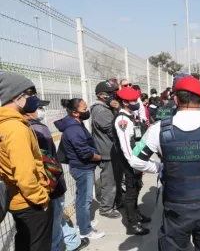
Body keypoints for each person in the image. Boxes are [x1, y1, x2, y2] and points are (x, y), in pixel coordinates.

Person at [130, 76, 200, 250]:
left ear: (176, 99)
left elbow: (135, 160)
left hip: (175, 210)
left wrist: (160, 167)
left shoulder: (158, 129)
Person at [26, 100, 90, 251]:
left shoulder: (31, 128)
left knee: (58, 216)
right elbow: (47, 160)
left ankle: (73, 242)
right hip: (50, 183)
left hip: (49, 182)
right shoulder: (38, 129)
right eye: (38, 108)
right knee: (54, 221)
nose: (42, 111)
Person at [0, 72, 52, 251]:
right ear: (16, 96)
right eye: (30, 93)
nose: (33, 98)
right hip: (31, 203)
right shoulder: (16, 128)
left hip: (19, 200)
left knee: (25, 243)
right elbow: (24, 172)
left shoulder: (5, 124)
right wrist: (41, 199)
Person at [54, 98, 106, 240]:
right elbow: (84, 153)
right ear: (75, 113)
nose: (87, 111)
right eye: (84, 109)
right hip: (82, 168)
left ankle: (83, 222)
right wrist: (98, 157)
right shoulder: (74, 129)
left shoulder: (76, 124)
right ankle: (85, 231)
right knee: (85, 200)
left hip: (81, 167)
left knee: (82, 198)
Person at [113, 87, 152, 235]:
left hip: (136, 158)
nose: (137, 102)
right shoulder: (122, 120)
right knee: (131, 191)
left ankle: (137, 214)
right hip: (130, 161)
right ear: (124, 102)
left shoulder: (131, 116)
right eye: (133, 100)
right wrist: (135, 163)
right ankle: (132, 224)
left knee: (136, 186)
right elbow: (125, 146)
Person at [90, 81, 122, 218]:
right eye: (109, 93)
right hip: (107, 152)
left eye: (112, 92)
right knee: (109, 182)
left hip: (111, 150)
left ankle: (115, 202)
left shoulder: (107, 108)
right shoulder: (101, 110)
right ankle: (106, 208)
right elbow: (113, 130)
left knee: (116, 180)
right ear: (100, 95)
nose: (112, 95)